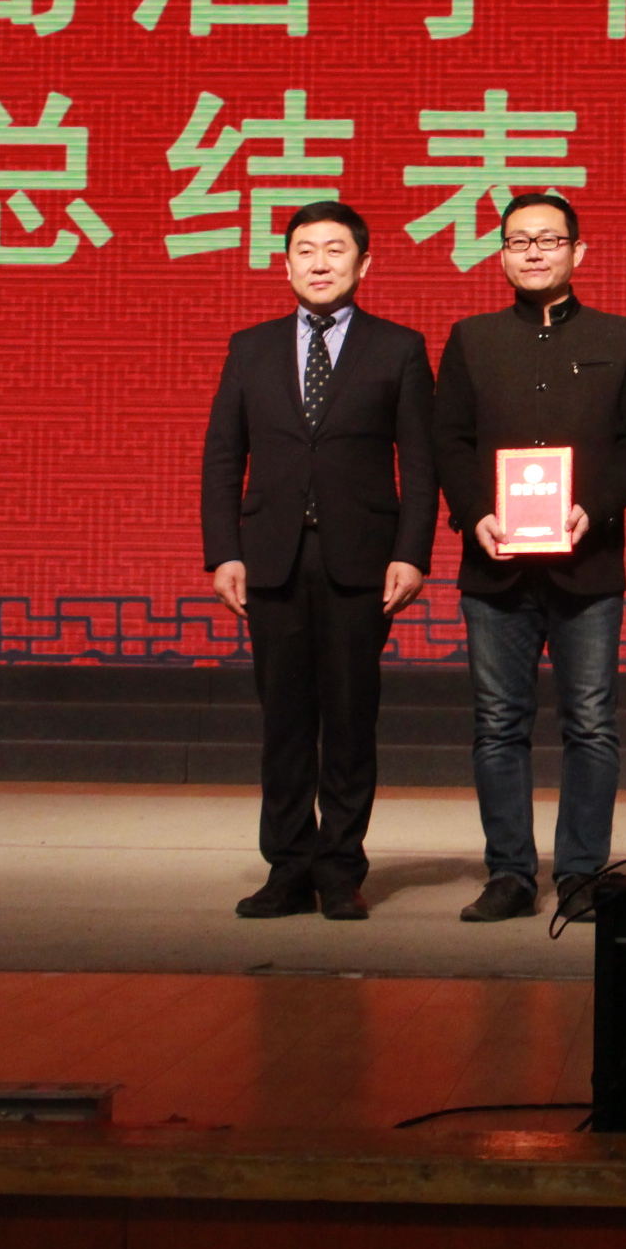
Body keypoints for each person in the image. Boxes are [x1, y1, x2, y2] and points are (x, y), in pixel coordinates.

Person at [201, 200, 436, 921]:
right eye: (305, 250)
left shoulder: (398, 348)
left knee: (351, 718)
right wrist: (223, 552)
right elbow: (223, 457)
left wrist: (411, 554)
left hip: (360, 561)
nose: (320, 263)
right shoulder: (250, 347)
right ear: (286, 265)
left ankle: (339, 869)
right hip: (271, 558)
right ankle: (287, 867)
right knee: (285, 722)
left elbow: (420, 464)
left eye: (336, 250)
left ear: (364, 264)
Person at [433, 192, 626, 923]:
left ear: (577, 252)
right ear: (501, 254)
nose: (533, 252)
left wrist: (594, 507)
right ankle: (509, 875)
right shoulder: (471, 339)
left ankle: (582, 874)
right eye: (519, 241)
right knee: (498, 723)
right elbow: (449, 440)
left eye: (549, 240)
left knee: (590, 724)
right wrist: (474, 513)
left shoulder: (620, 337)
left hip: (587, 566)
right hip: (494, 565)